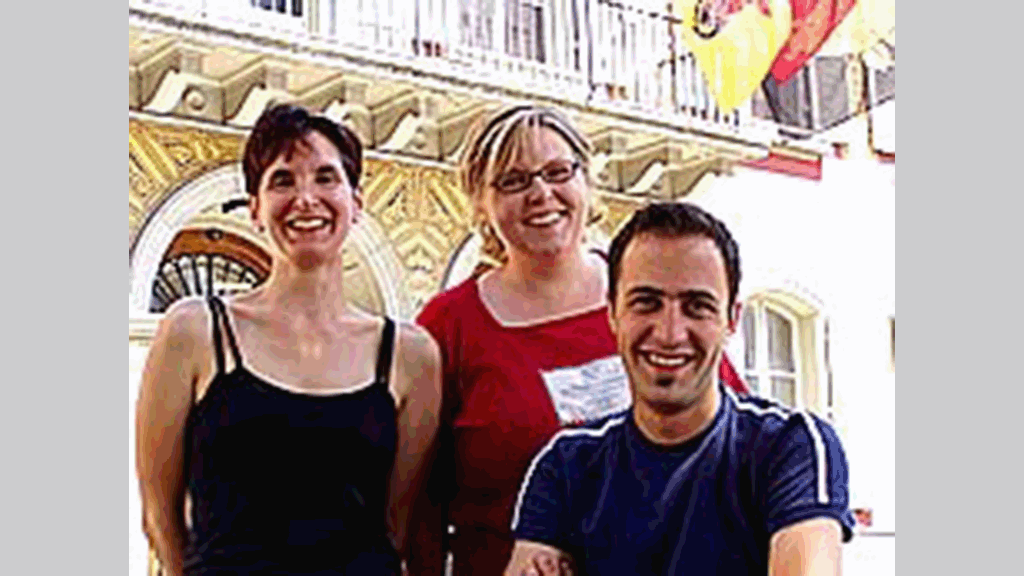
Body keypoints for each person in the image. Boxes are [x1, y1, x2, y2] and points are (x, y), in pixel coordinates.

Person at [408, 105, 749, 575]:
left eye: (557, 172)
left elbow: (737, 444)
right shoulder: (449, 326)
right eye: (513, 181)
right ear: (481, 203)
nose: (540, 194)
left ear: (586, 181)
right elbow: (420, 505)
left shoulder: (654, 295)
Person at [135, 104, 441, 575]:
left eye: (326, 178)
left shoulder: (410, 355)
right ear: (255, 209)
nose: (305, 199)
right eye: (282, 181)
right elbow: (159, 514)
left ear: (356, 204)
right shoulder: (194, 332)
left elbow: (396, 527)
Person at [506, 202, 855, 576]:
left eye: (697, 306)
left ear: (731, 319)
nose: (670, 333)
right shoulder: (567, 465)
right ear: (612, 314)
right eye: (646, 303)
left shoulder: (790, 446)